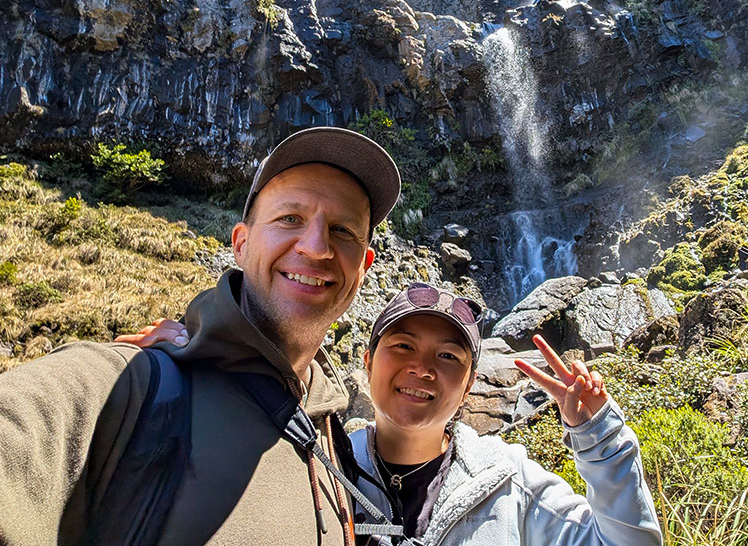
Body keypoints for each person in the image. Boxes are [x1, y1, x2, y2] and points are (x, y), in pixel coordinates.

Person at [0, 126, 401, 545]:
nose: (316, 247)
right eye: (290, 219)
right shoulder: (124, 387)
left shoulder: (332, 437)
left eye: (343, 230)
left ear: (364, 267)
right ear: (241, 245)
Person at [125, 283, 664, 545]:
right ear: (367, 362)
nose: (422, 368)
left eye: (448, 357)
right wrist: (190, 366)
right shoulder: (318, 468)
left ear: (469, 383)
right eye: (402, 346)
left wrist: (600, 438)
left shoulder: (511, 483)